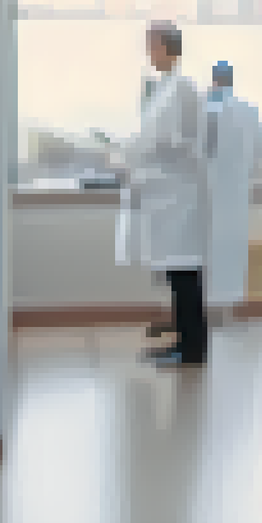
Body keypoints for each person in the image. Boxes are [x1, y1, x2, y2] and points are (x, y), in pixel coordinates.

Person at [115, 20, 211, 367]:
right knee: (176, 274)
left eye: (151, 44)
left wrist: (143, 151)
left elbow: (184, 142)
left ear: (167, 46)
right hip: (165, 194)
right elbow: (155, 136)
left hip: (178, 196)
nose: (148, 51)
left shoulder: (182, 87)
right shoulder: (165, 88)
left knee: (184, 275)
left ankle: (192, 349)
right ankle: (183, 343)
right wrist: (131, 153)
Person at [202, 61, 262, 326]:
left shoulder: (204, 108)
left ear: (214, 80)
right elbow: (259, 153)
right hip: (236, 193)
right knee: (231, 252)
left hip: (205, 193)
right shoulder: (248, 111)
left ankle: (204, 312)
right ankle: (227, 312)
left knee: (204, 253)